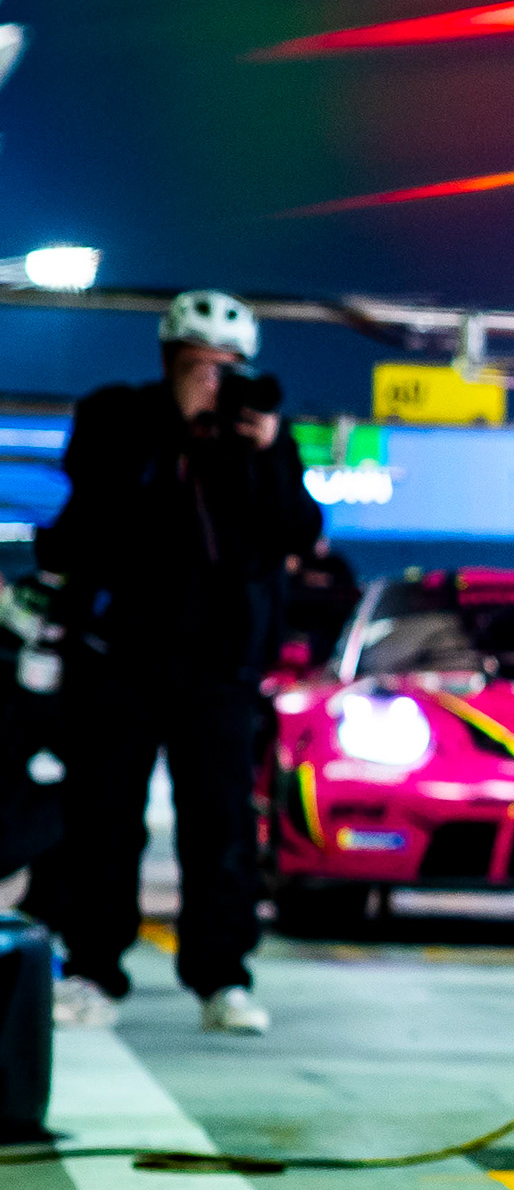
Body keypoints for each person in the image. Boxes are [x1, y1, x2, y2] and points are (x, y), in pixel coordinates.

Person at [32, 291, 322, 1034]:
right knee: (104, 825)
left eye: (229, 369)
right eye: (201, 367)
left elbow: (299, 529)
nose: (217, 383)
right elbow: (88, 512)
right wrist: (178, 427)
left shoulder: (260, 440)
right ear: (169, 362)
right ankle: (94, 968)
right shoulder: (119, 418)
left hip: (219, 668)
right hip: (120, 658)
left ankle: (221, 978)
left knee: (220, 827)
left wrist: (260, 455)